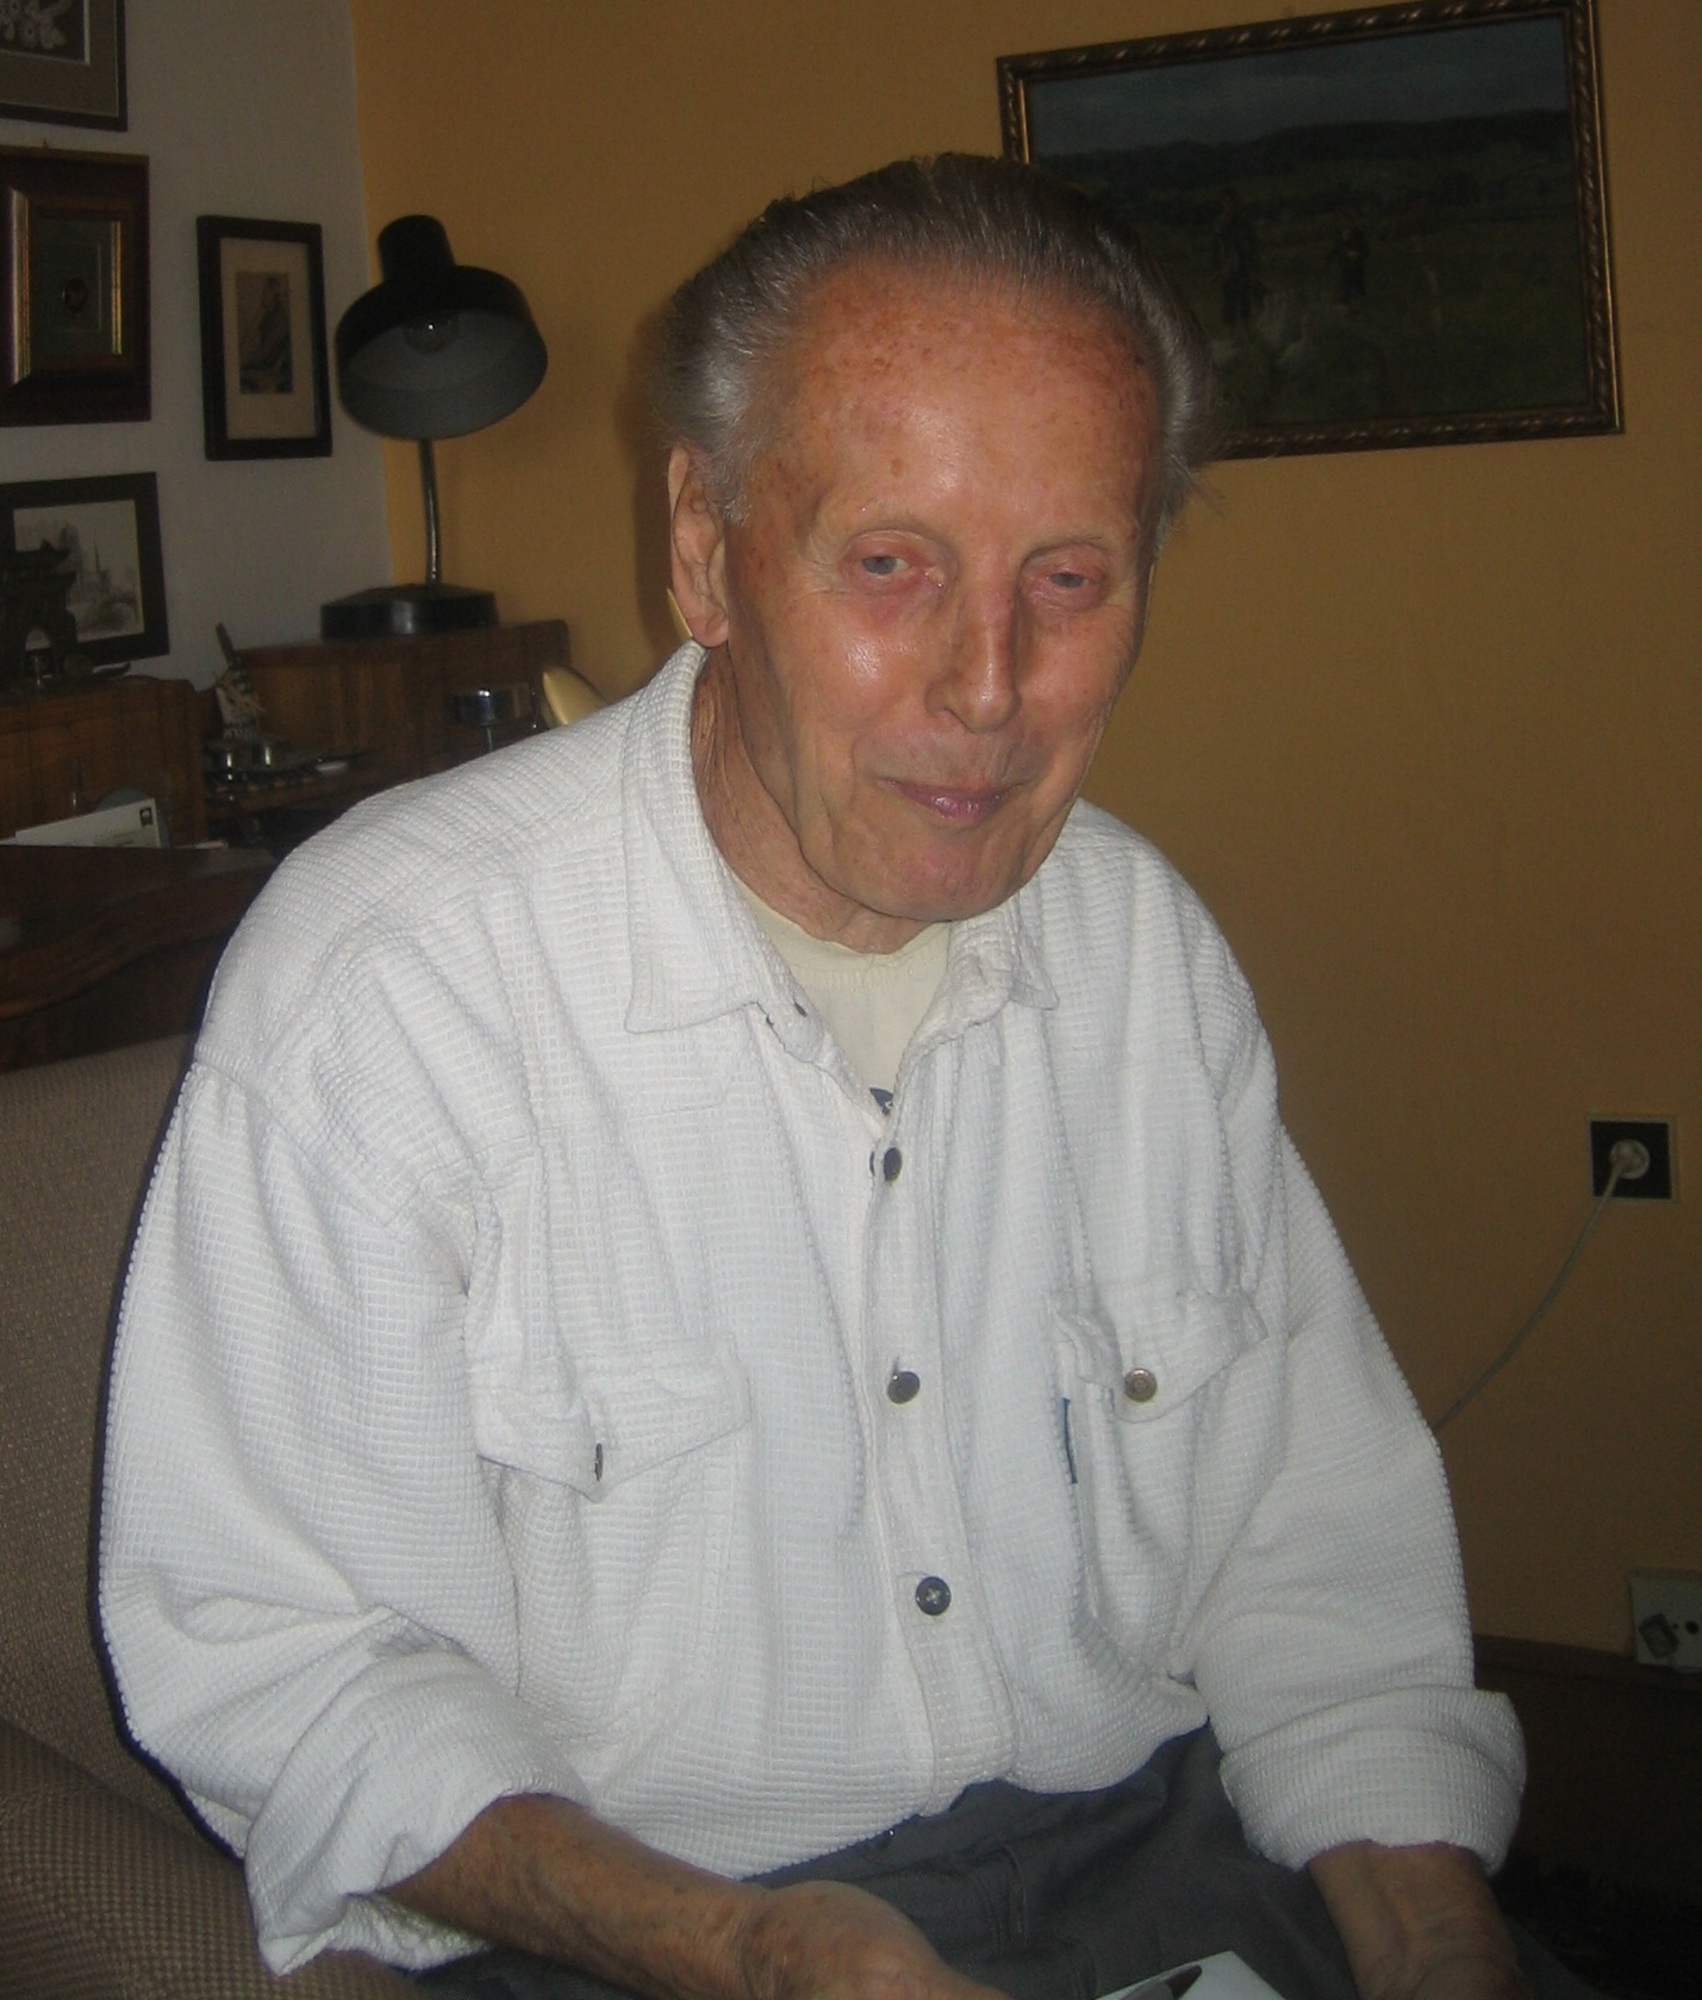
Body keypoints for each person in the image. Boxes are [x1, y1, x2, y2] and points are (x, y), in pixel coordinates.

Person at [100, 156, 1565, 2000]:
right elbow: (293, 1662)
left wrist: (1435, 1947)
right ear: (702, 550)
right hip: (635, 1930)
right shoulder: (390, 987)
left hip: (1162, 1856)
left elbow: (1314, 1554)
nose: (987, 687)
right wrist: (742, 1948)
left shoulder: (1140, 951)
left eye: (1069, 580)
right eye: (890, 566)